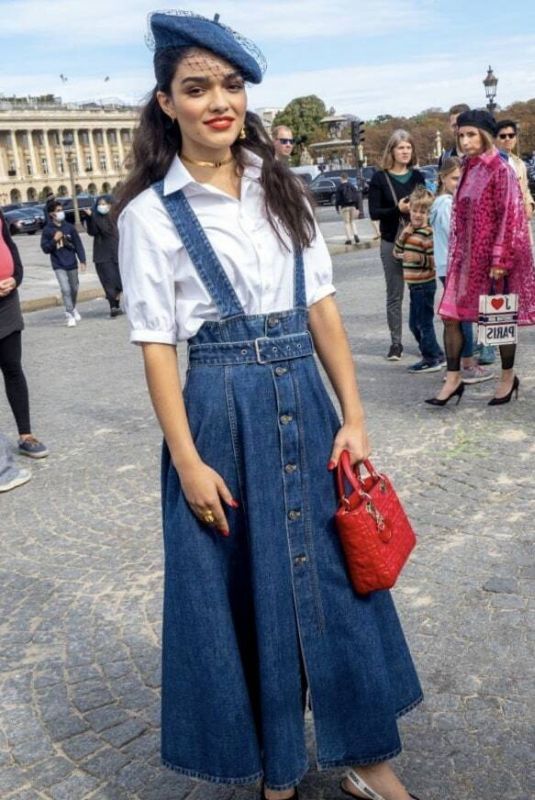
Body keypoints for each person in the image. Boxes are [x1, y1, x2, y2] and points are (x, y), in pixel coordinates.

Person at [118, 11, 423, 800]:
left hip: (306, 396)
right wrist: (187, 458)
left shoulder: (280, 185)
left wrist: (353, 417)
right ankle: (275, 762)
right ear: (166, 102)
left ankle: (364, 752)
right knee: (243, 587)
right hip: (220, 405)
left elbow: (321, 308)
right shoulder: (150, 215)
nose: (217, 101)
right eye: (196, 88)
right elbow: (157, 344)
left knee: (337, 575)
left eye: (229, 84)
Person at [427, 110, 535, 407]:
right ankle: (453, 379)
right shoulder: (468, 168)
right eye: (461, 135)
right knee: (450, 316)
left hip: (495, 261)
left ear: (485, 135)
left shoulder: (500, 169)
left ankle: (507, 377)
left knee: (498, 319)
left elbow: (510, 216)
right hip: (466, 259)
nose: (464, 140)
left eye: (470, 134)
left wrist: (500, 259)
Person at [429, 158, 493, 385]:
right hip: (456, 265)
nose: (460, 183)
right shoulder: (447, 203)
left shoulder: (445, 201)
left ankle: (460, 364)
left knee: (458, 316)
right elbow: (457, 235)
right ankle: (466, 364)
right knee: (462, 316)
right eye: (455, 178)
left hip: (450, 264)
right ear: (443, 178)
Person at [368, 130, 425, 361]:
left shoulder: (418, 176)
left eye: (408, 147)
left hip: (417, 241)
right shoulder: (380, 178)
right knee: (395, 295)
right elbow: (373, 212)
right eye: (401, 147)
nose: (405, 151)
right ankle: (396, 343)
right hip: (391, 240)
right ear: (391, 150)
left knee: (419, 293)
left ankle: (424, 340)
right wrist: (397, 210)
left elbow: (425, 206)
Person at [0, 209, 48, 459]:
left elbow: (9, 244)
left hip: (6, 302)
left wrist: (16, 278)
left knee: (13, 367)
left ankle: (25, 434)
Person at [394, 187, 444, 373]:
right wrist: (405, 233)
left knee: (423, 324)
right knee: (414, 324)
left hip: (424, 285)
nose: (417, 215)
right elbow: (397, 250)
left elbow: (434, 261)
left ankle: (431, 358)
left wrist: (418, 259)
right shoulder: (411, 231)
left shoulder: (428, 233)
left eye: (423, 212)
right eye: (415, 210)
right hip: (414, 286)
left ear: (429, 214)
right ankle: (436, 353)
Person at [41, 200, 86, 327]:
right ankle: (69, 313)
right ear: (52, 214)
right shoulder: (47, 230)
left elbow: (78, 244)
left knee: (74, 288)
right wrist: (54, 240)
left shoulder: (69, 227)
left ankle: (73, 307)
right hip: (58, 264)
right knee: (65, 289)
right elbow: (45, 248)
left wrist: (82, 260)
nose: (61, 213)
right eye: (58, 211)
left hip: (71, 262)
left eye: (61, 210)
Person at [495, 119, 535, 241]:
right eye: (502, 136)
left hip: (521, 226)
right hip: (502, 228)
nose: (507, 139)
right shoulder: (492, 163)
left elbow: (525, 188)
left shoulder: (519, 163)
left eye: (511, 135)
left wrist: (530, 204)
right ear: (494, 139)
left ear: (515, 138)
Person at [85, 195, 123, 317]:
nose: (102, 206)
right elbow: (93, 231)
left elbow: (106, 230)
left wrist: (93, 216)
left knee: (119, 282)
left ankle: (116, 304)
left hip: (117, 253)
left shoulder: (115, 218)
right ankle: (113, 306)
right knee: (108, 281)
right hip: (102, 255)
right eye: (99, 204)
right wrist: (89, 218)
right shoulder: (96, 217)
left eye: (104, 203)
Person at [437, 103, 470, 169]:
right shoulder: (445, 158)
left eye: (461, 124)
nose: (458, 129)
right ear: (450, 127)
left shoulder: (483, 156)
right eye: (454, 125)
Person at [335, 173, 360, 244]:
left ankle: (349, 239)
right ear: (347, 178)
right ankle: (356, 235)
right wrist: (357, 207)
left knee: (346, 223)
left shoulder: (339, 187)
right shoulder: (351, 186)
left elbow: (337, 199)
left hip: (344, 207)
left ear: (341, 178)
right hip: (353, 206)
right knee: (352, 221)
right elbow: (356, 197)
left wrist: (337, 208)